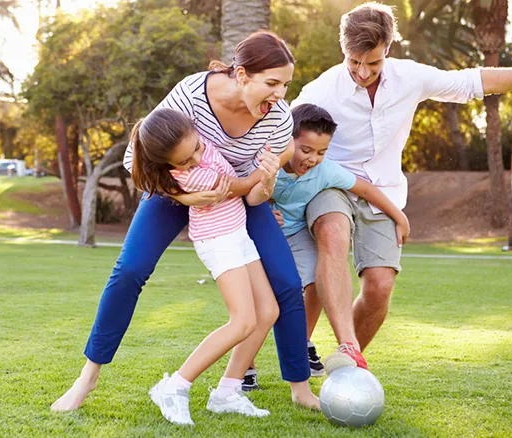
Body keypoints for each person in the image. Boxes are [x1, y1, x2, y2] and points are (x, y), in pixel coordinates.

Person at [52, 30, 320, 413]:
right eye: (272, 83)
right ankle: (88, 376)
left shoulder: (275, 116)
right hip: (172, 191)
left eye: (286, 84)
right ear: (242, 75)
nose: (280, 95)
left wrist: (270, 173)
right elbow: (136, 160)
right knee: (130, 270)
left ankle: (297, 387)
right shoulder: (192, 94)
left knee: (287, 283)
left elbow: (271, 169)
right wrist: (187, 197)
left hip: (237, 194)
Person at [291, 1, 512, 370]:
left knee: (379, 287)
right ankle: (345, 345)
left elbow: (476, 81)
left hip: (385, 192)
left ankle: (343, 366)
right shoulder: (321, 90)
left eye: (373, 63)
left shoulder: (409, 77)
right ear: (344, 51)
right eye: (354, 62)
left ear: (389, 50)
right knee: (332, 233)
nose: (363, 72)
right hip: (332, 186)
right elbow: (281, 133)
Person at [131, 108, 279, 425]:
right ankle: (175, 386)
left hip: (238, 234)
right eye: (183, 162)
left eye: (196, 148)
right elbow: (236, 187)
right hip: (218, 240)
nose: (196, 159)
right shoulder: (191, 175)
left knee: (268, 312)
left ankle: (227, 391)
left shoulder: (199, 142)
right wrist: (266, 170)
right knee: (242, 321)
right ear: (169, 165)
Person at [246, 104, 410, 385]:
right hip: (261, 234)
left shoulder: (325, 172)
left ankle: (301, 342)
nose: (313, 159)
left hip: (296, 235)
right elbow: (243, 195)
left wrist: (399, 216)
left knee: (318, 282)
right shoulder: (265, 161)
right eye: (306, 150)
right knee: (257, 299)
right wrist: (263, 212)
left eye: (321, 152)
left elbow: (366, 189)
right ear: (288, 140)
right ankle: (245, 366)